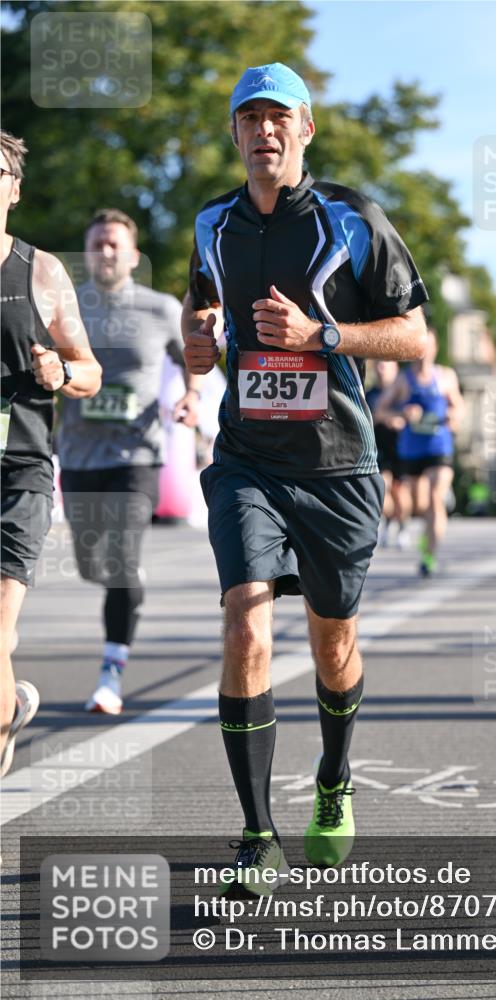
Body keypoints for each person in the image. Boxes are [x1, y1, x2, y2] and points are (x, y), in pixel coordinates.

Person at [182, 63, 427, 890]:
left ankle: (333, 777)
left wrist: (320, 336)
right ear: (234, 133)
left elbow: (413, 338)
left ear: (306, 129)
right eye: (248, 119)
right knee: (245, 626)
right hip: (248, 459)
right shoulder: (211, 222)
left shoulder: (353, 219)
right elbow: (200, 306)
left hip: (337, 468)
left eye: (278, 118)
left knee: (333, 643)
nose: (264, 132)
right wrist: (199, 343)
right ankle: (256, 835)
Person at [57, 209, 203, 715]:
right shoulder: (66, 307)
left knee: (120, 556)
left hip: (138, 456)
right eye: (96, 243)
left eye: (115, 244)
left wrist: (193, 395)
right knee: (90, 563)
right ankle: (123, 581)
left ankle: (110, 675)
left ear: (133, 256)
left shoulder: (161, 309)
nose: (105, 251)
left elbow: (193, 355)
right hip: (77, 457)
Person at [0, 130, 101, 776]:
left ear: (12, 189)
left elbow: (90, 370)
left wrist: (61, 374)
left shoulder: (41, 271)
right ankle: (8, 708)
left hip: (21, 473)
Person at [376, 328, 463, 577]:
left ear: (435, 349)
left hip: (439, 446)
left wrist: (453, 417)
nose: (424, 353)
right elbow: (380, 410)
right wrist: (401, 414)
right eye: (420, 347)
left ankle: (430, 555)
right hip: (412, 449)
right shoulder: (404, 380)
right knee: (420, 504)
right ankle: (428, 533)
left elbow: (458, 407)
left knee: (435, 499)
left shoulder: (445, 377)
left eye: (429, 346)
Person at [365, 360, 410, 548]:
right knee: (382, 487)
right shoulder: (371, 394)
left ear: (395, 368)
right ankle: (387, 520)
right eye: (379, 365)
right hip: (379, 447)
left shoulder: (402, 393)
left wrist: (398, 419)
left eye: (386, 365)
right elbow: (368, 416)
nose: (382, 369)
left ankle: (402, 525)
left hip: (401, 447)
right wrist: (387, 417)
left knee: (400, 491)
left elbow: (411, 415)